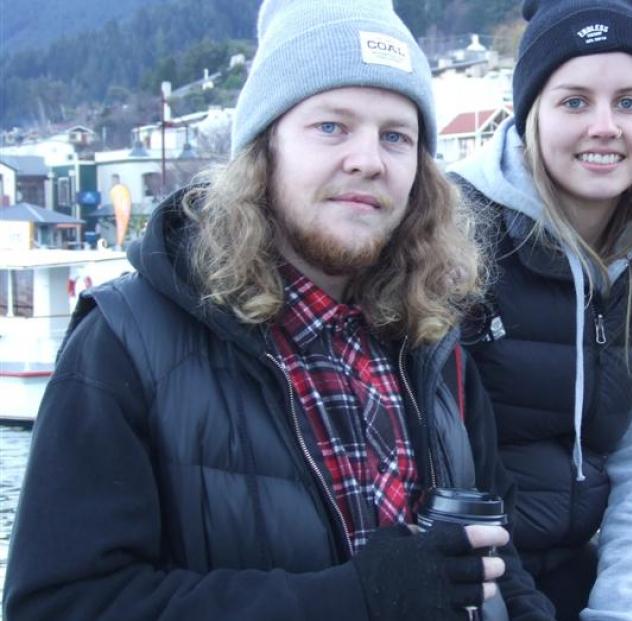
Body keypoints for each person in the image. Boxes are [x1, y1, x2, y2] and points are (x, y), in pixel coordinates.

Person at [2, 1, 555, 620]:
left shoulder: (434, 344)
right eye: (332, 127)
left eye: (396, 136)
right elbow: (59, 605)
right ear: (264, 149)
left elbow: (504, 566)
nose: (369, 159)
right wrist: (351, 600)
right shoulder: (125, 343)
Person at [449, 1, 632, 620]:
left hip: (570, 562)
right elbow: (438, 476)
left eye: (629, 101)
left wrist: (626, 609)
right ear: (530, 112)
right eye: (574, 101)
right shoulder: (456, 232)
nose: (605, 126)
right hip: (468, 579)